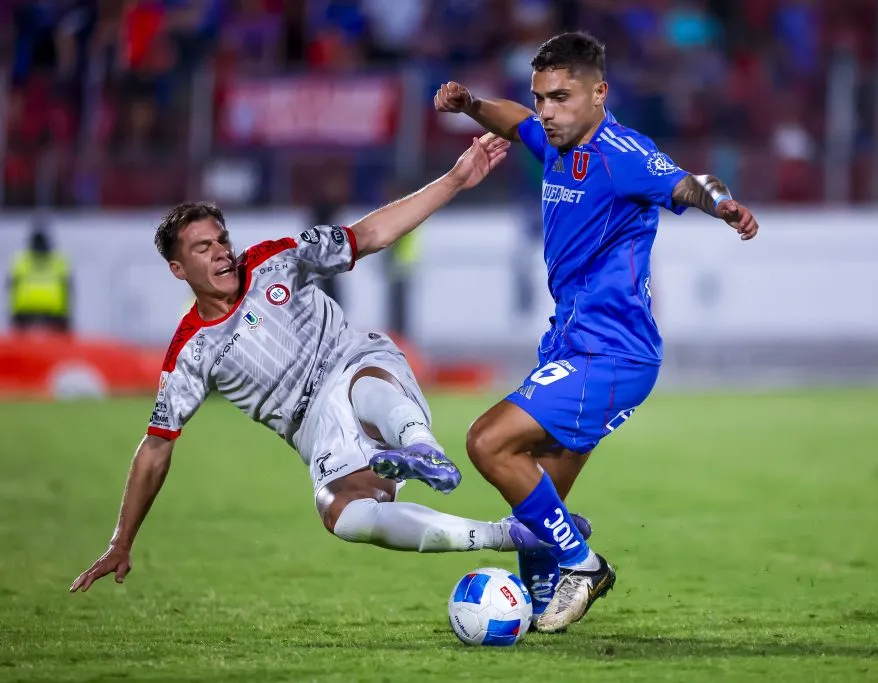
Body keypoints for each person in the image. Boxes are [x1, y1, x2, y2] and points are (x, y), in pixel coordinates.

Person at [69, 134, 591, 593]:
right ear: (178, 269)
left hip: (354, 360)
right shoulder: (191, 353)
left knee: (359, 384)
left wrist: (455, 179)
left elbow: (371, 235)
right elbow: (155, 449)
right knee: (341, 514)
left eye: (222, 239)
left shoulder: (277, 258)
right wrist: (121, 540)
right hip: (315, 429)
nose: (222, 252)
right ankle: (506, 534)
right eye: (203, 248)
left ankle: (424, 449)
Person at [435, 32, 759, 633]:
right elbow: (514, 124)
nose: (546, 112)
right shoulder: (553, 140)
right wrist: (473, 104)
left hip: (612, 352)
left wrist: (724, 205)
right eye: (540, 98)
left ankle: (584, 565)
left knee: (487, 442)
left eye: (560, 97)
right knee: (537, 508)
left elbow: (688, 182)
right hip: (571, 342)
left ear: (599, 92)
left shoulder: (623, 154)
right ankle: (533, 609)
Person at [7, 218, 72, 333]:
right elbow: (69, 290)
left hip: (26, 317)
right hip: (52, 317)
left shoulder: (20, 262)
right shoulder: (60, 262)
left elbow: (10, 287)